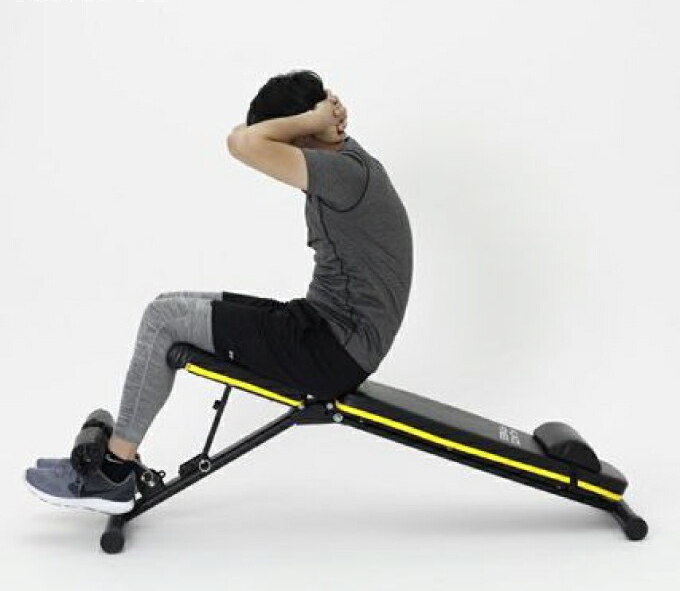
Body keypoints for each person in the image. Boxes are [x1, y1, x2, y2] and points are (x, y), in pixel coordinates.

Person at [25, 69, 414, 514]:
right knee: (164, 307)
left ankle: (113, 474)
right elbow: (245, 135)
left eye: (328, 99)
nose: (335, 108)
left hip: (331, 350)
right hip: (324, 331)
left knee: (162, 322)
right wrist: (310, 122)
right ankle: (117, 465)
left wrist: (311, 119)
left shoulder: (341, 173)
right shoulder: (339, 159)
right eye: (322, 104)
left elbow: (240, 143)